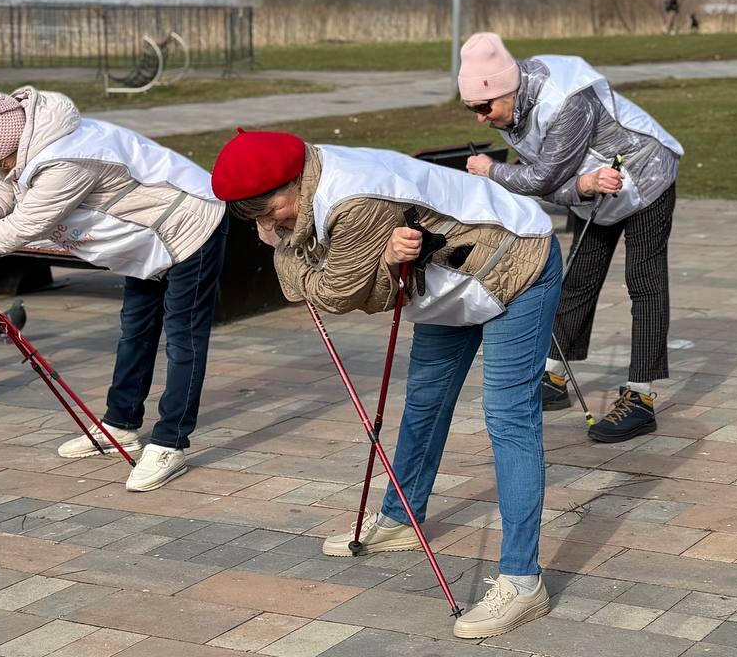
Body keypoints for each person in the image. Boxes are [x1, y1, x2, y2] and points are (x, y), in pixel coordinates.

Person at [210, 129, 561, 640]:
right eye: (256, 220)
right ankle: (402, 519)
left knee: (507, 417)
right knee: (424, 403)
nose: (267, 228)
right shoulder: (311, 181)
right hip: (450, 280)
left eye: (270, 213)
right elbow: (343, 281)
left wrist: (290, 250)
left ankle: (523, 582)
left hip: (517, 264)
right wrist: (327, 255)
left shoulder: (355, 203)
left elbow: (335, 293)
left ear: (294, 181)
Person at [0, 88, 227, 491]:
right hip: (146, 241)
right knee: (135, 328)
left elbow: (20, 228)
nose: (3, 168)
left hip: (191, 227)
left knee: (183, 340)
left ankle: (170, 442)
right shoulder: (29, 141)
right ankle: (121, 423)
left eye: (2, 162)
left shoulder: (66, 160)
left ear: (15, 142)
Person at [457, 32, 682, 443]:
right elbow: (550, 185)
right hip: (598, 189)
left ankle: (641, 398)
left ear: (505, 90)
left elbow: (542, 177)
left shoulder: (565, 101)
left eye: (483, 107)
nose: (480, 117)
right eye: (471, 109)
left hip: (646, 176)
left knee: (644, 284)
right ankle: (555, 377)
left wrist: (492, 171)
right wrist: (582, 185)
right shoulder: (512, 106)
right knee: (578, 280)